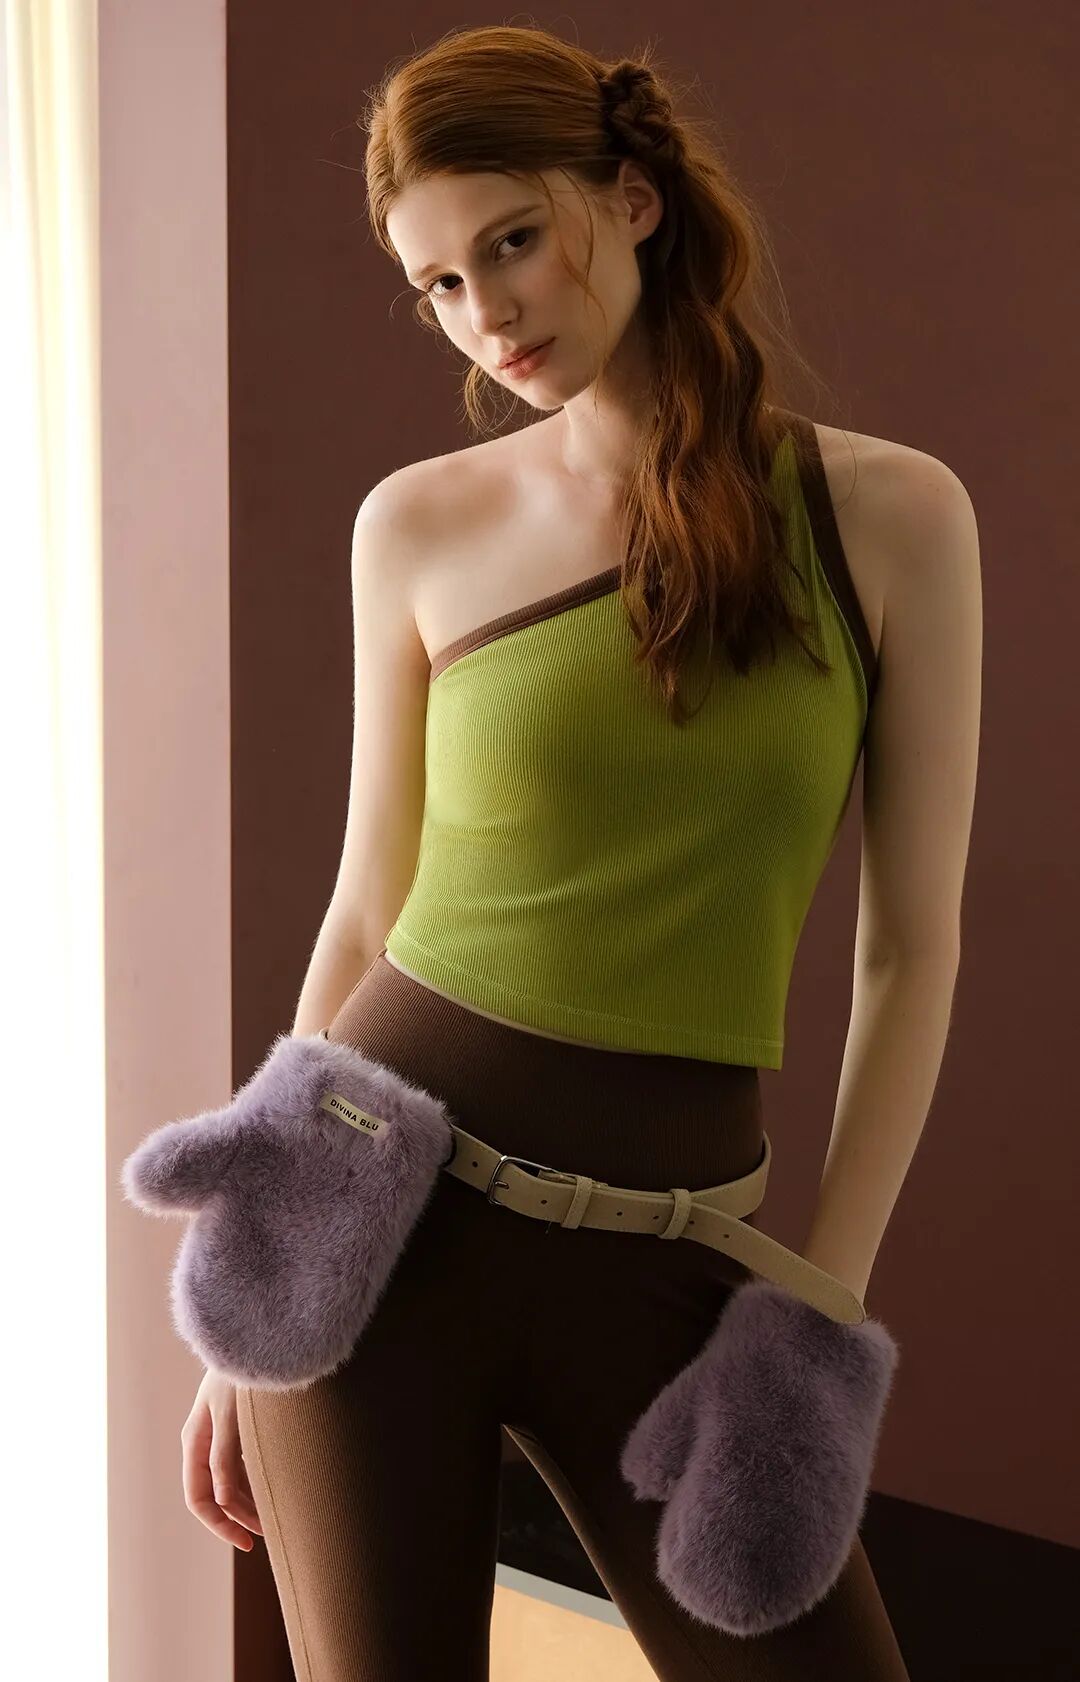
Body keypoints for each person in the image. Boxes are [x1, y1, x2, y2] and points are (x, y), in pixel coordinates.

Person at [180, 23, 981, 1681]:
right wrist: (258, 1272)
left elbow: (911, 950)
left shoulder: (894, 518)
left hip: (678, 1254)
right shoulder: (417, 523)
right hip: (377, 1228)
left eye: (512, 242)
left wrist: (817, 1313)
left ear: (631, 198)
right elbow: (367, 905)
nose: (487, 313)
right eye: (438, 283)